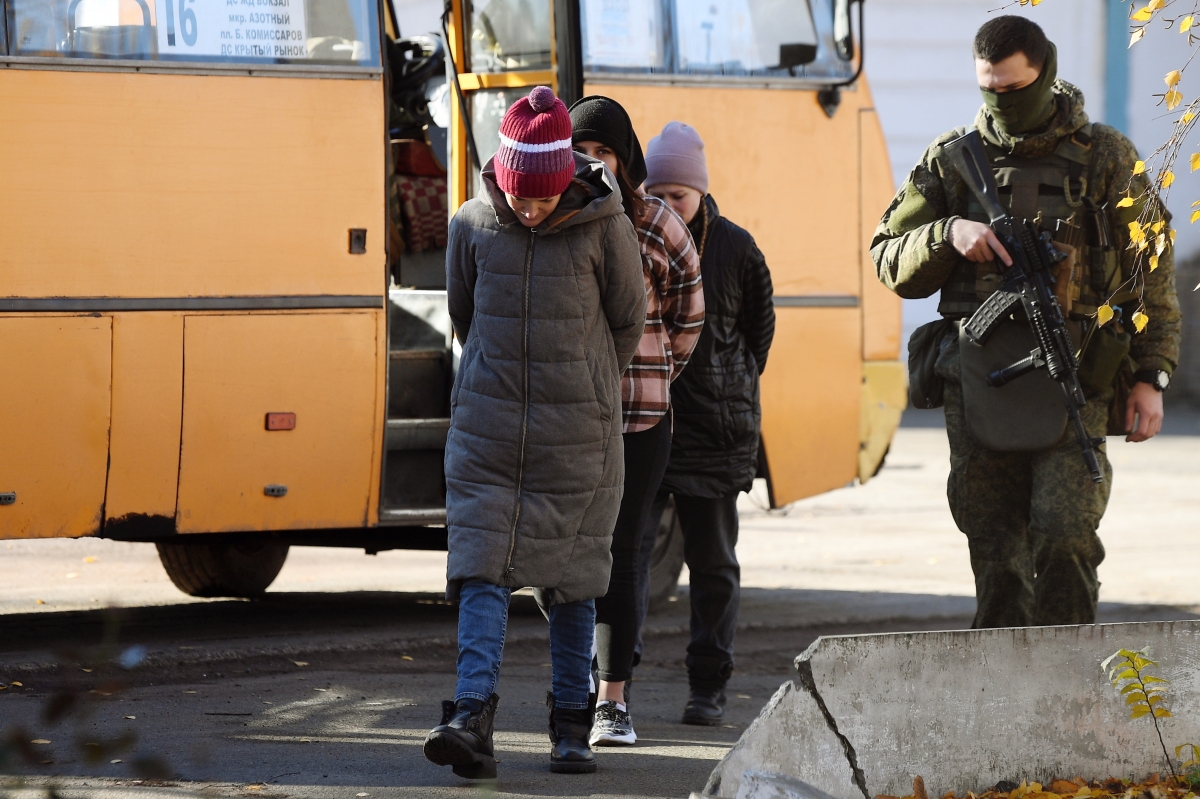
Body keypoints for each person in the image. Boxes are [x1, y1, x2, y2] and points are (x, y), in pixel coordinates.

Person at [872, 17, 1181, 628]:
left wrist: (1153, 374)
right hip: (980, 379)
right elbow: (889, 255)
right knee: (994, 547)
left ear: (1047, 73)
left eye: (1016, 88)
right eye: (990, 89)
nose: (1002, 102)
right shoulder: (953, 160)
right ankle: (1001, 690)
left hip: (1076, 373)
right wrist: (948, 234)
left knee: (1065, 536)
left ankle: (1066, 682)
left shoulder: (1107, 158)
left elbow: (1153, 272)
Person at [422, 86, 646, 778]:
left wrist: (579, 380)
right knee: (480, 572)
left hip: (577, 437)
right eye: (518, 196)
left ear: (562, 180)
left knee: (574, 581)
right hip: (487, 433)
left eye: (541, 197)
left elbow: (627, 321)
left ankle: (571, 726)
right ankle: (469, 715)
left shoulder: (607, 226)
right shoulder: (471, 224)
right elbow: (465, 312)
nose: (529, 207)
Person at [567, 96, 705, 747]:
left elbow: (688, 311)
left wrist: (656, 371)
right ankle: (574, 681)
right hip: (570, 414)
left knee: (623, 553)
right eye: (579, 151)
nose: (590, 164)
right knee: (567, 555)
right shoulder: (551, 215)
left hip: (642, 417)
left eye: (602, 152)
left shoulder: (655, 222)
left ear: (625, 157)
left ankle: (611, 698)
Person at [644, 121, 775, 726]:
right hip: (644, 422)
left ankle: (708, 686)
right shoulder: (631, 235)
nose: (667, 205)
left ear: (700, 192)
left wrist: (731, 387)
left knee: (713, 564)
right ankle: (614, 684)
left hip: (714, 432)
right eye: (658, 192)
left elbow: (757, 333)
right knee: (627, 558)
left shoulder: (736, 246)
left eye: (679, 195)